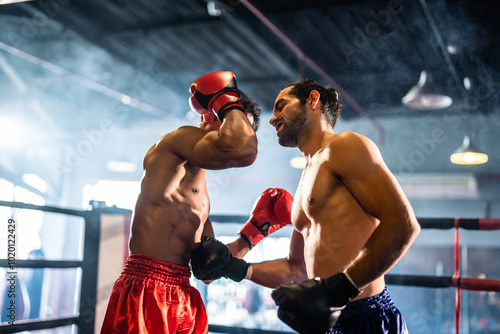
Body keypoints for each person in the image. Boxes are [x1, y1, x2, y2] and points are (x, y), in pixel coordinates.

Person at [191, 80, 421, 334]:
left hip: (367, 316)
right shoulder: (307, 176)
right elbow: (296, 269)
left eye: (281, 107)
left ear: (313, 100)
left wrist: (340, 289)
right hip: (329, 322)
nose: (272, 119)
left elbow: (404, 225)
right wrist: (236, 269)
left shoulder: (344, 146)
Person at [100, 71, 262, 334]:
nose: (244, 132)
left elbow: (207, 271)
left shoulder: (202, 195)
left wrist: (252, 234)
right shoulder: (175, 143)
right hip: (146, 288)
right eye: (237, 121)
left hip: (183, 293)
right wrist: (228, 102)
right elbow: (241, 150)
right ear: (212, 113)